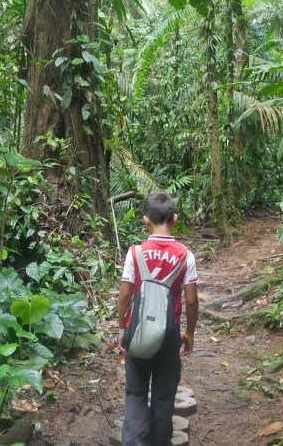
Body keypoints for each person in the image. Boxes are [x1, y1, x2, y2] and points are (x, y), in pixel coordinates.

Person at [116, 191, 199, 446]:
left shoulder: (135, 252)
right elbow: (192, 300)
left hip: (137, 331)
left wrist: (122, 328)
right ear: (174, 220)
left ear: (146, 220)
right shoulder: (185, 255)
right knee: (164, 397)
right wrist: (189, 334)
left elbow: (125, 296)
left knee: (136, 393)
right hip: (169, 333)